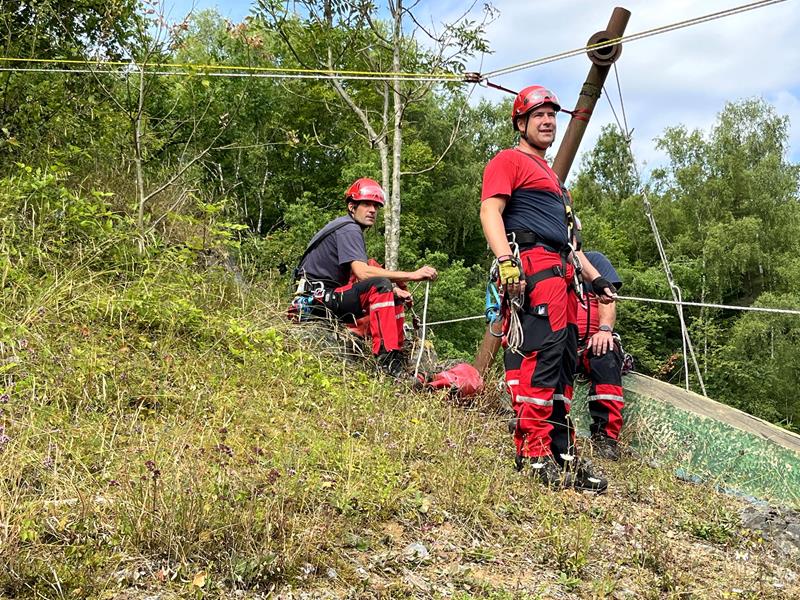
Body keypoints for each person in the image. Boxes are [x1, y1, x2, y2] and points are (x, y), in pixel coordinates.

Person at [479, 84, 617, 492]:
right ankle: (534, 452)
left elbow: (573, 246)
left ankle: (563, 453)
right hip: (534, 265)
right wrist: (506, 262)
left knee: (563, 364)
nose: (547, 121)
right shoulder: (509, 161)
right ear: (520, 123)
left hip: (564, 272)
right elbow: (491, 210)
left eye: (552, 115)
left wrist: (596, 279)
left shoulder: (557, 185)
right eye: (538, 115)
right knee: (542, 357)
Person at [293, 177, 437, 376]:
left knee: (389, 291)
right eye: (367, 204)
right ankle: (388, 362)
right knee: (380, 285)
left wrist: (395, 290)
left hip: (321, 296)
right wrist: (413, 275)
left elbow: (356, 275)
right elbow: (363, 273)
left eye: (376, 206)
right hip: (318, 298)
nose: (373, 210)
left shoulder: (344, 227)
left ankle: (396, 351)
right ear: (352, 207)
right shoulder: (349, 228)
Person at [576, 251, 625, 461]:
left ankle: (605, 436)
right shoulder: (549, 261)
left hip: (592, 341)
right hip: (561, 342)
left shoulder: (595, 261)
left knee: (605, 354)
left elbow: (608, 298)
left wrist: (605, 330)